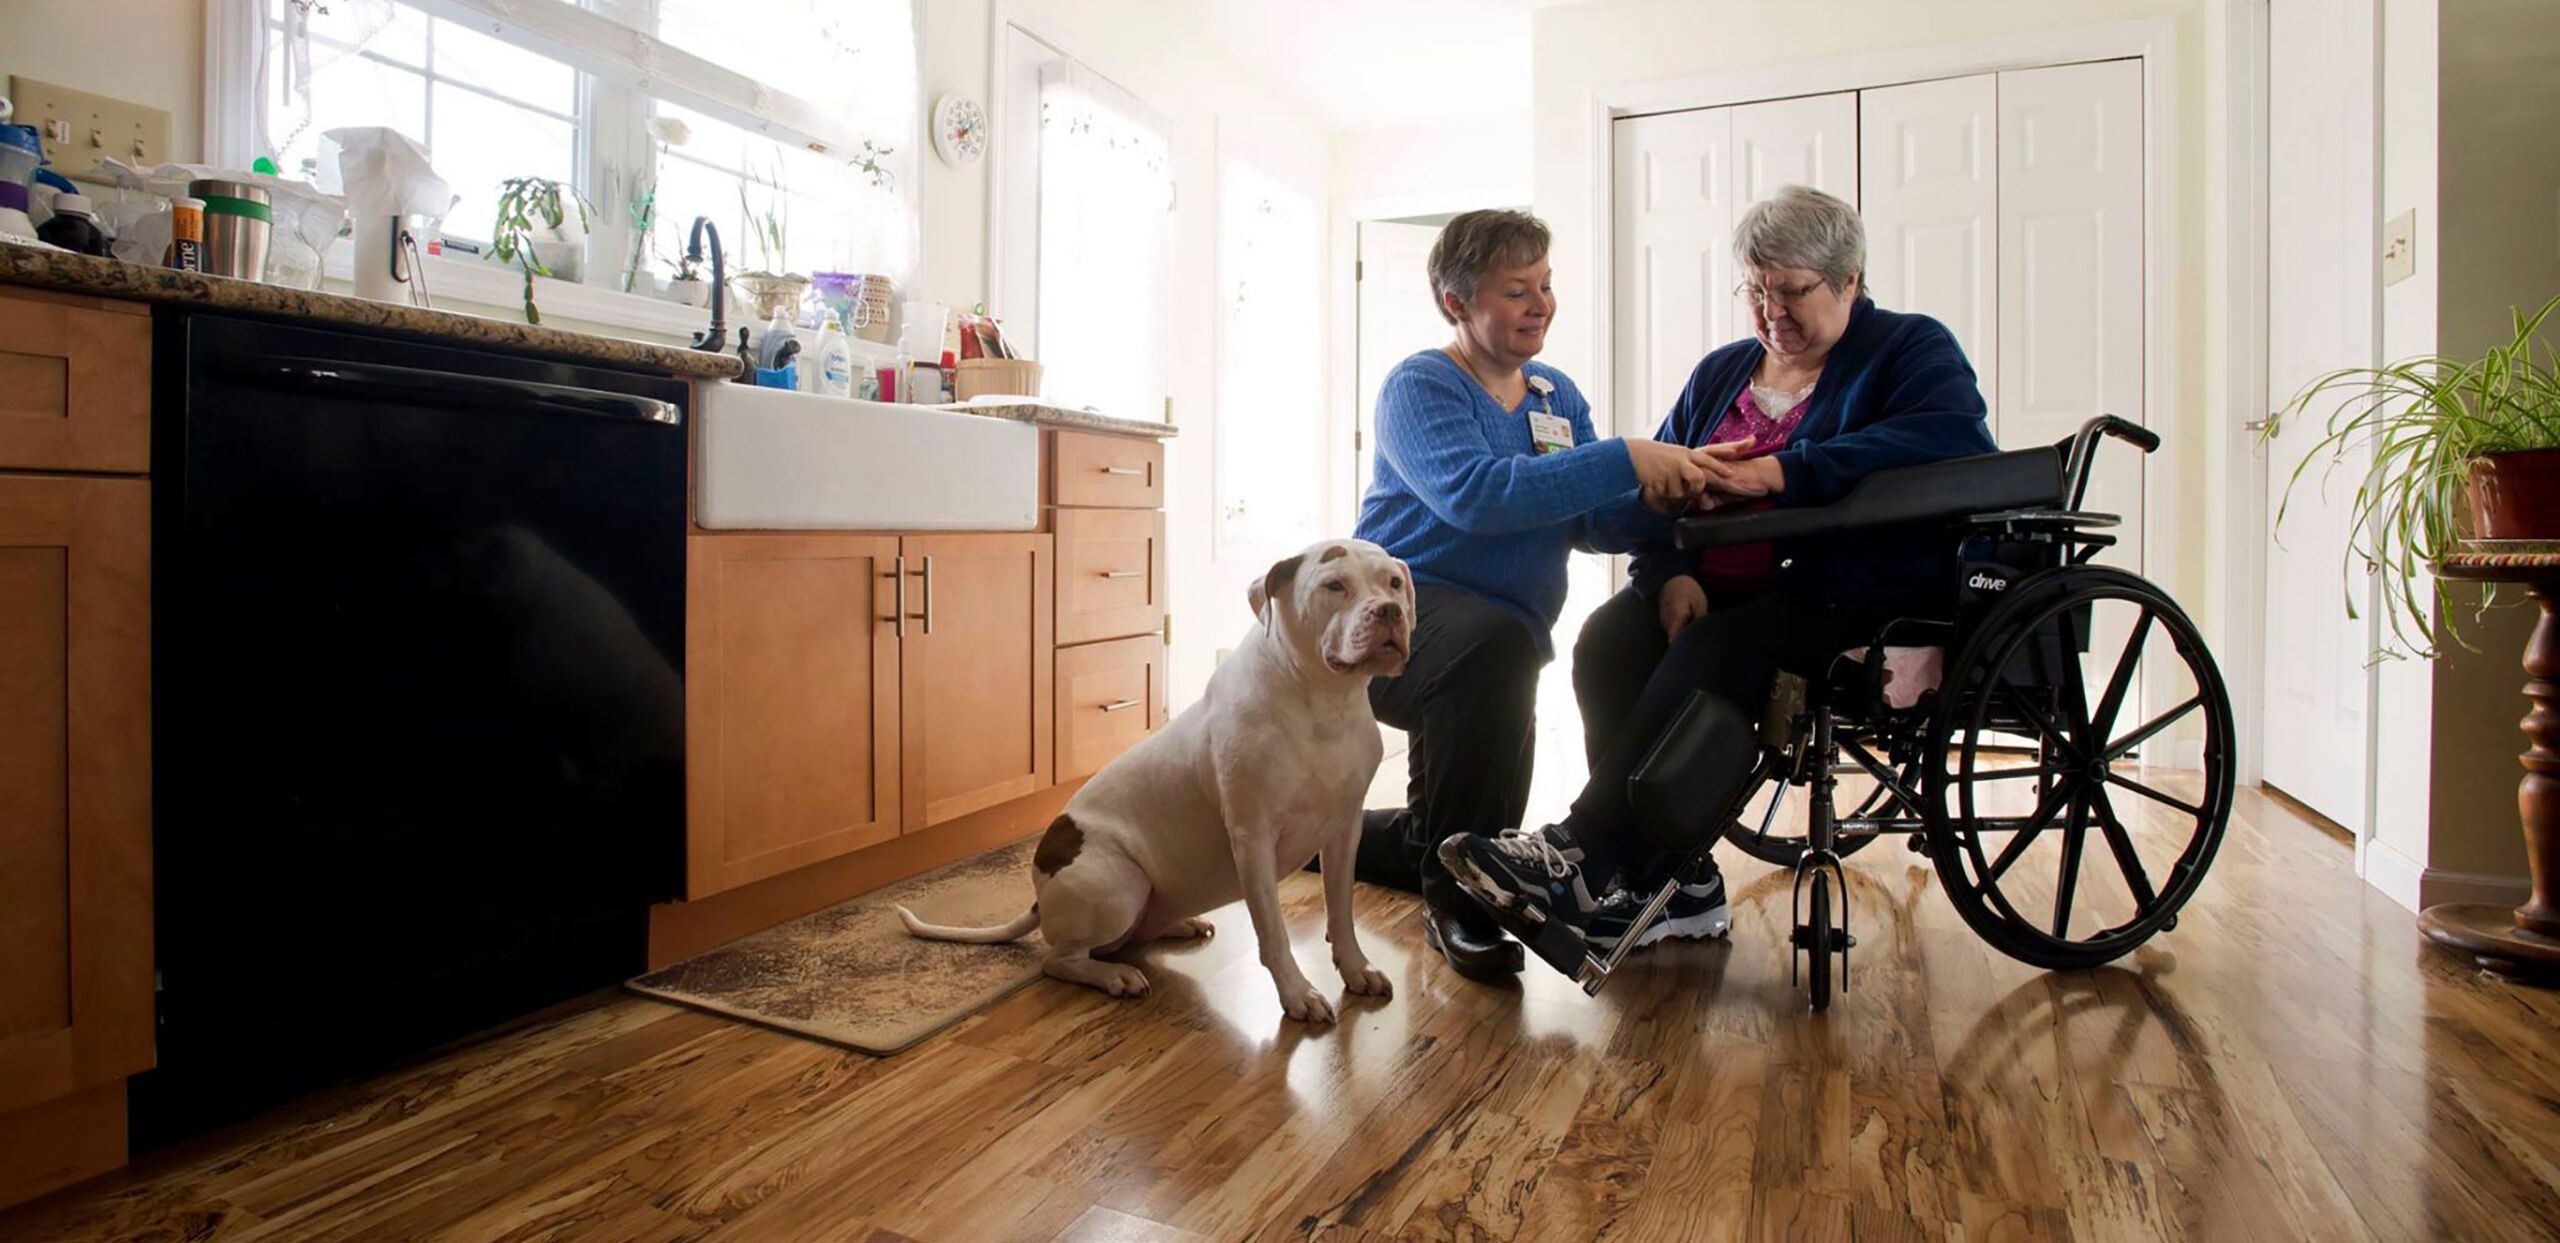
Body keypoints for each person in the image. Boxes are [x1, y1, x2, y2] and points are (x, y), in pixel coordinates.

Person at [1437, 185, 1999, 955]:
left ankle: (1587, 855)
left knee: (1715, 651)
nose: (1773, 313)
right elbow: (1662, 488)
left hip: (1843, 590)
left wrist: (1787, 472)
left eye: (1794, 291)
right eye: (1756, 292)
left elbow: (1949, 442)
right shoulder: (1722, 372)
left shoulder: (1908, 349)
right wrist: (1667, 571)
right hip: (1717, 582)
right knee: (1608, 641)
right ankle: (1677, 878)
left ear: (1851, 282)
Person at [1347, 208, 1724, 981]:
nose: (1541, 303)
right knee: (1496, 648)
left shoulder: (1555, 394)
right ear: (1457, 302)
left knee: (1470, 811)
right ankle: (1458, 903)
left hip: (1500, 635)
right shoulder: (1420, 386)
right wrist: (1627, 456)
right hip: (1406, 619)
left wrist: (1665, 506)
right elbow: (1478, 497)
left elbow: (1590, 517)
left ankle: (1339, 840)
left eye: (1546, 285)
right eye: (1517, 290)